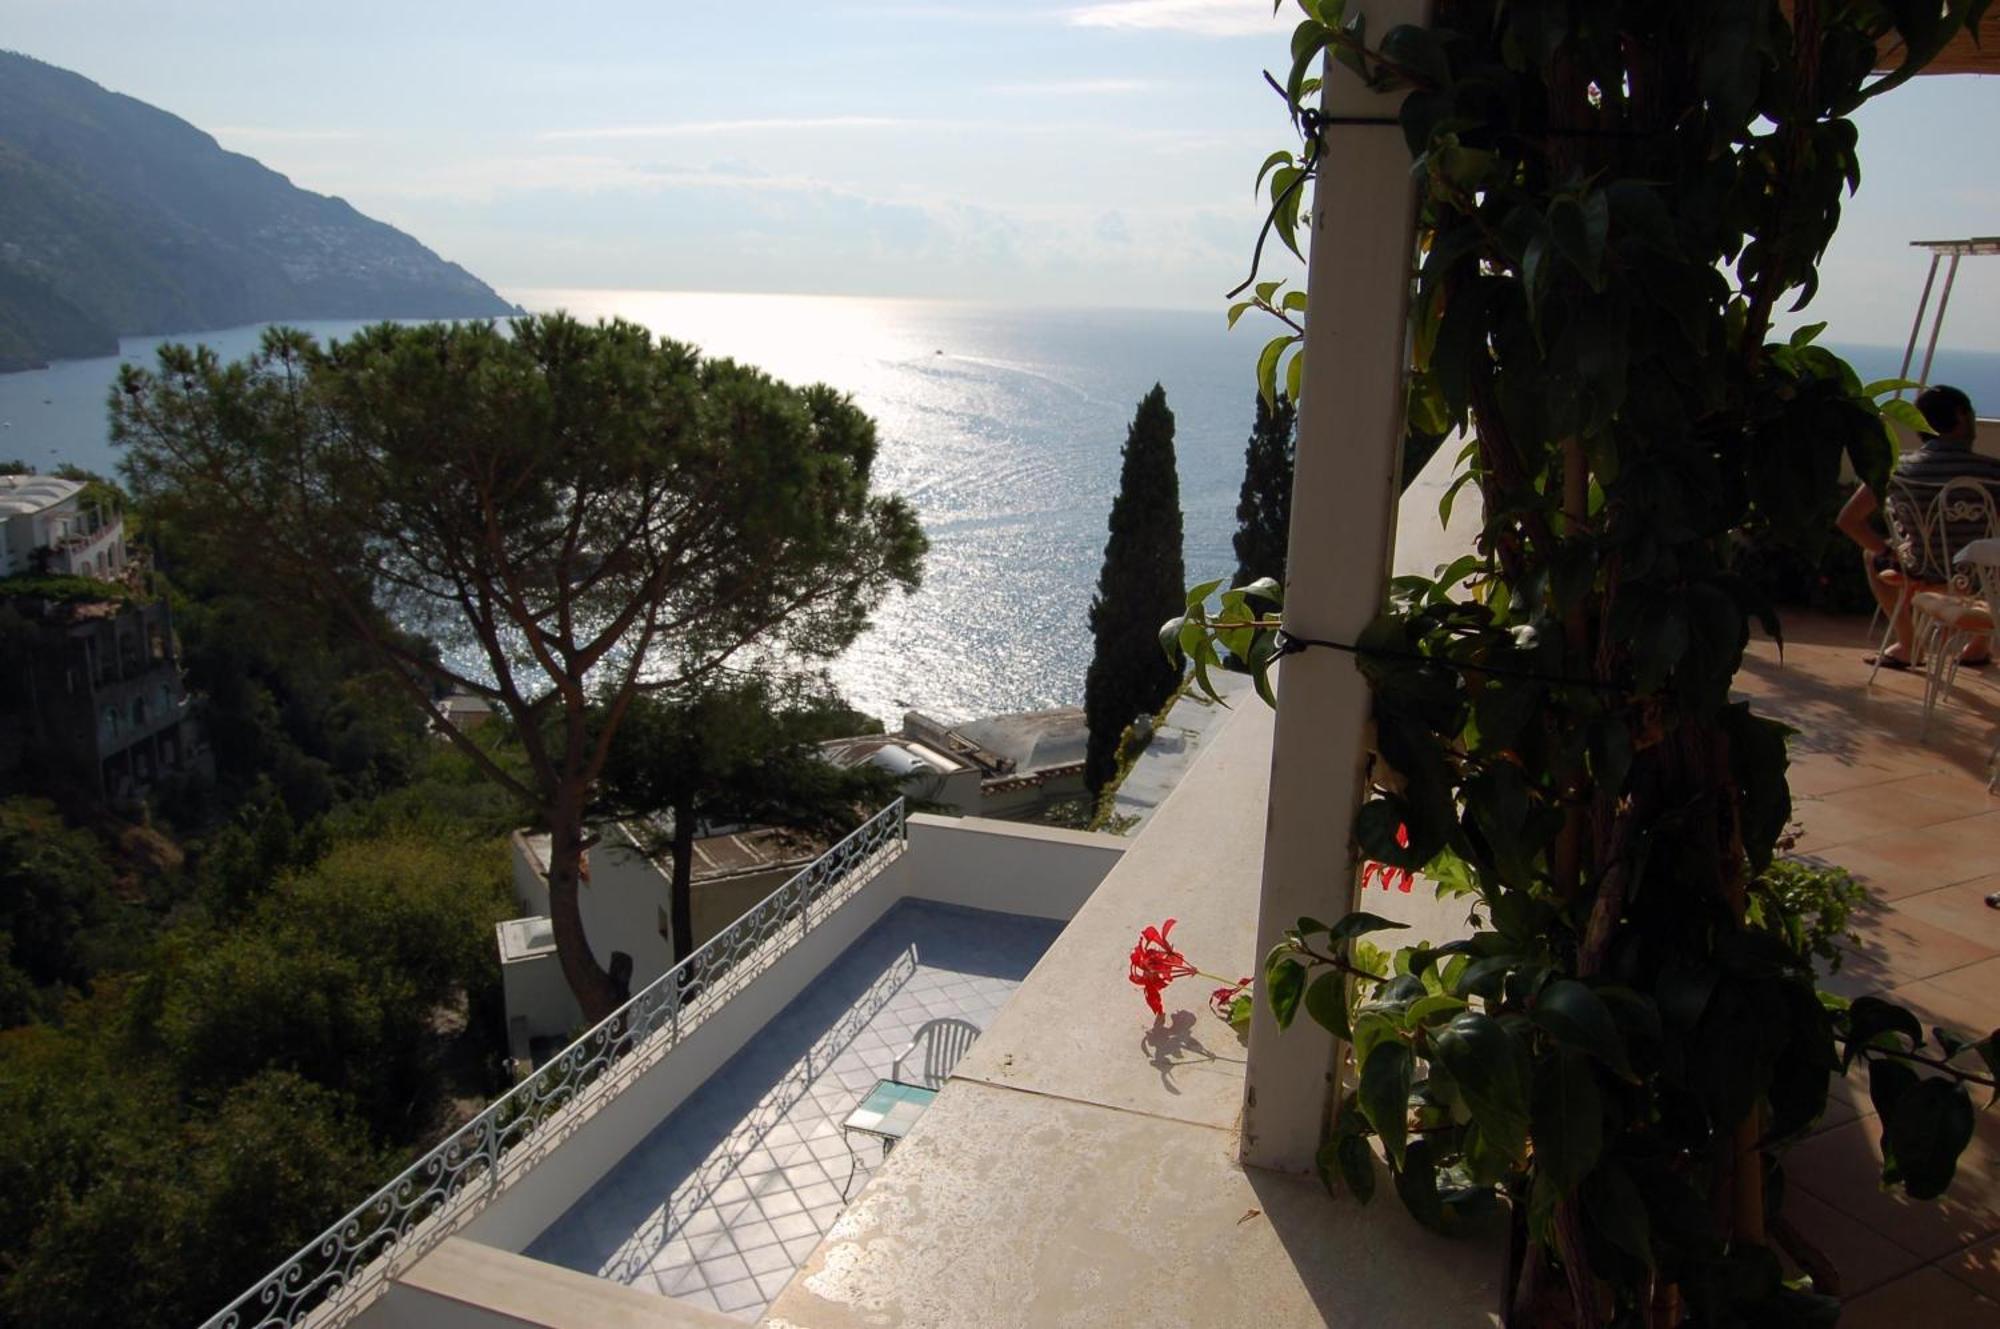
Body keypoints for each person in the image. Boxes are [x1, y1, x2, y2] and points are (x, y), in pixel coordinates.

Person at [1835, 384, 2000, 669]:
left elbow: (1848, 520)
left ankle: (1908, 644)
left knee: (1872, 554)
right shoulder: (1993, 473)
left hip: (1918, 571)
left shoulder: (1897, 468)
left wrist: (1886, 551)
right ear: (1961, 416)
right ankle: (1979, 644)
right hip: (1981, 579)